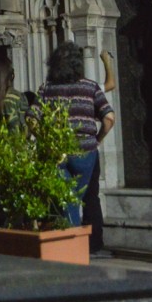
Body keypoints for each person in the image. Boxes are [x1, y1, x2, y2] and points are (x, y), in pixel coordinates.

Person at [39, 41, 116, 251]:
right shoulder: (89, 87)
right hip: (85, 152)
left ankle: (70, 247)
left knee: (66, 200)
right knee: (79, 198)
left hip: (57, 152)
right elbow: (109, 118)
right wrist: (97, 139)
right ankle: (76, 248)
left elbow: (32, 117)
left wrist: (46, 141)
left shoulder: (47, 89)